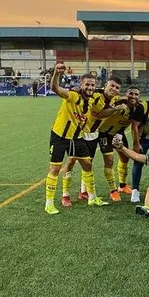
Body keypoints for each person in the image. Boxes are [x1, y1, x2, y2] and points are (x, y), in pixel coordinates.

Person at [43, 64, 106, 214]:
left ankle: (92, 197)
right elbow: (55, 88)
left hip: (77, 138)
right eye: (87, 84)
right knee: (55, 169)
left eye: (92, 85)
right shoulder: (72, 95)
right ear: (81, 85)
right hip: (60, 137)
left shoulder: (91, 101)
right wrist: (56, 74)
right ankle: (49, 203)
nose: (90, 87)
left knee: (87, 164)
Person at [60, 77, 124, 206]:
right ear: (106, 85)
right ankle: (65, 194)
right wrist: (116, 108)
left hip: (94, 135)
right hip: (80, 133)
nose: (114, 89)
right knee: (71, 161)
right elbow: (99, 114)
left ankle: (83, 191)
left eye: (117, 88)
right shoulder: (95, 94)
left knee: (88, 164)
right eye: (112, 86)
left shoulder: (115, 99)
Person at [95, 86, 145, 199]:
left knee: (125, 158)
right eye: (131, 93)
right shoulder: (119, 101)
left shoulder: (139, 108)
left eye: (136, 94)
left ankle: (122, 185)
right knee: (109, 160)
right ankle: (113, 190)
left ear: (139, 96)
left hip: (118, 134)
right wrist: (115, 107)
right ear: (126, 94)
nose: (133, 96)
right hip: (105, 133)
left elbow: (134, 126)